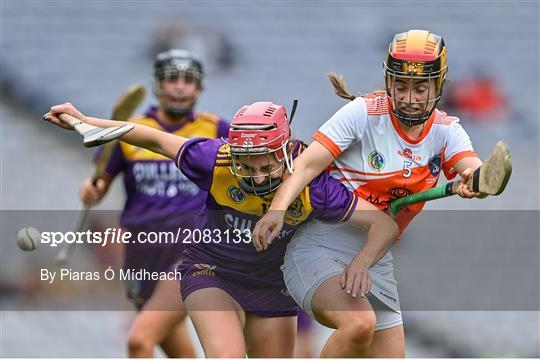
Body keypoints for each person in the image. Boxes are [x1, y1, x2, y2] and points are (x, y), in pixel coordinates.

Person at [44, 100, 399, 358]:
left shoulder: (311, 185)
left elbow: (382, 224)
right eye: (247, 164)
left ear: (284, 153)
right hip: (211, 273)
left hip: (272, 286)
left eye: (265, 165)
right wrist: (85, 121)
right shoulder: (215, 160)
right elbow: (150, 138)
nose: (256, 176)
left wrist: (361, 262)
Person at [252, 29, 482, 357]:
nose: (410, 97)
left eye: (421, 87)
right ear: (389, 81)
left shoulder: (446, 132)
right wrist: (277, 209)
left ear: (439, 86)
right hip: (320, 244)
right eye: (401, 86)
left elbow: (471, 167)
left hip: (376, 256)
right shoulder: (363, 113)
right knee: (358, 324)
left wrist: (474, 179)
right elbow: (305, 166)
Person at [79, 49, 229, 358]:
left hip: (192, 248)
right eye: (171, 78)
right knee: (177, 350)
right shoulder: (131, 130)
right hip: (141, 249)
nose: (179, 86)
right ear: (158, 84)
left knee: (139, 341)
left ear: (199, 87)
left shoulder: (216, 129)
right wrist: (93, 189)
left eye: (188, 80)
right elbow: (101, 180)